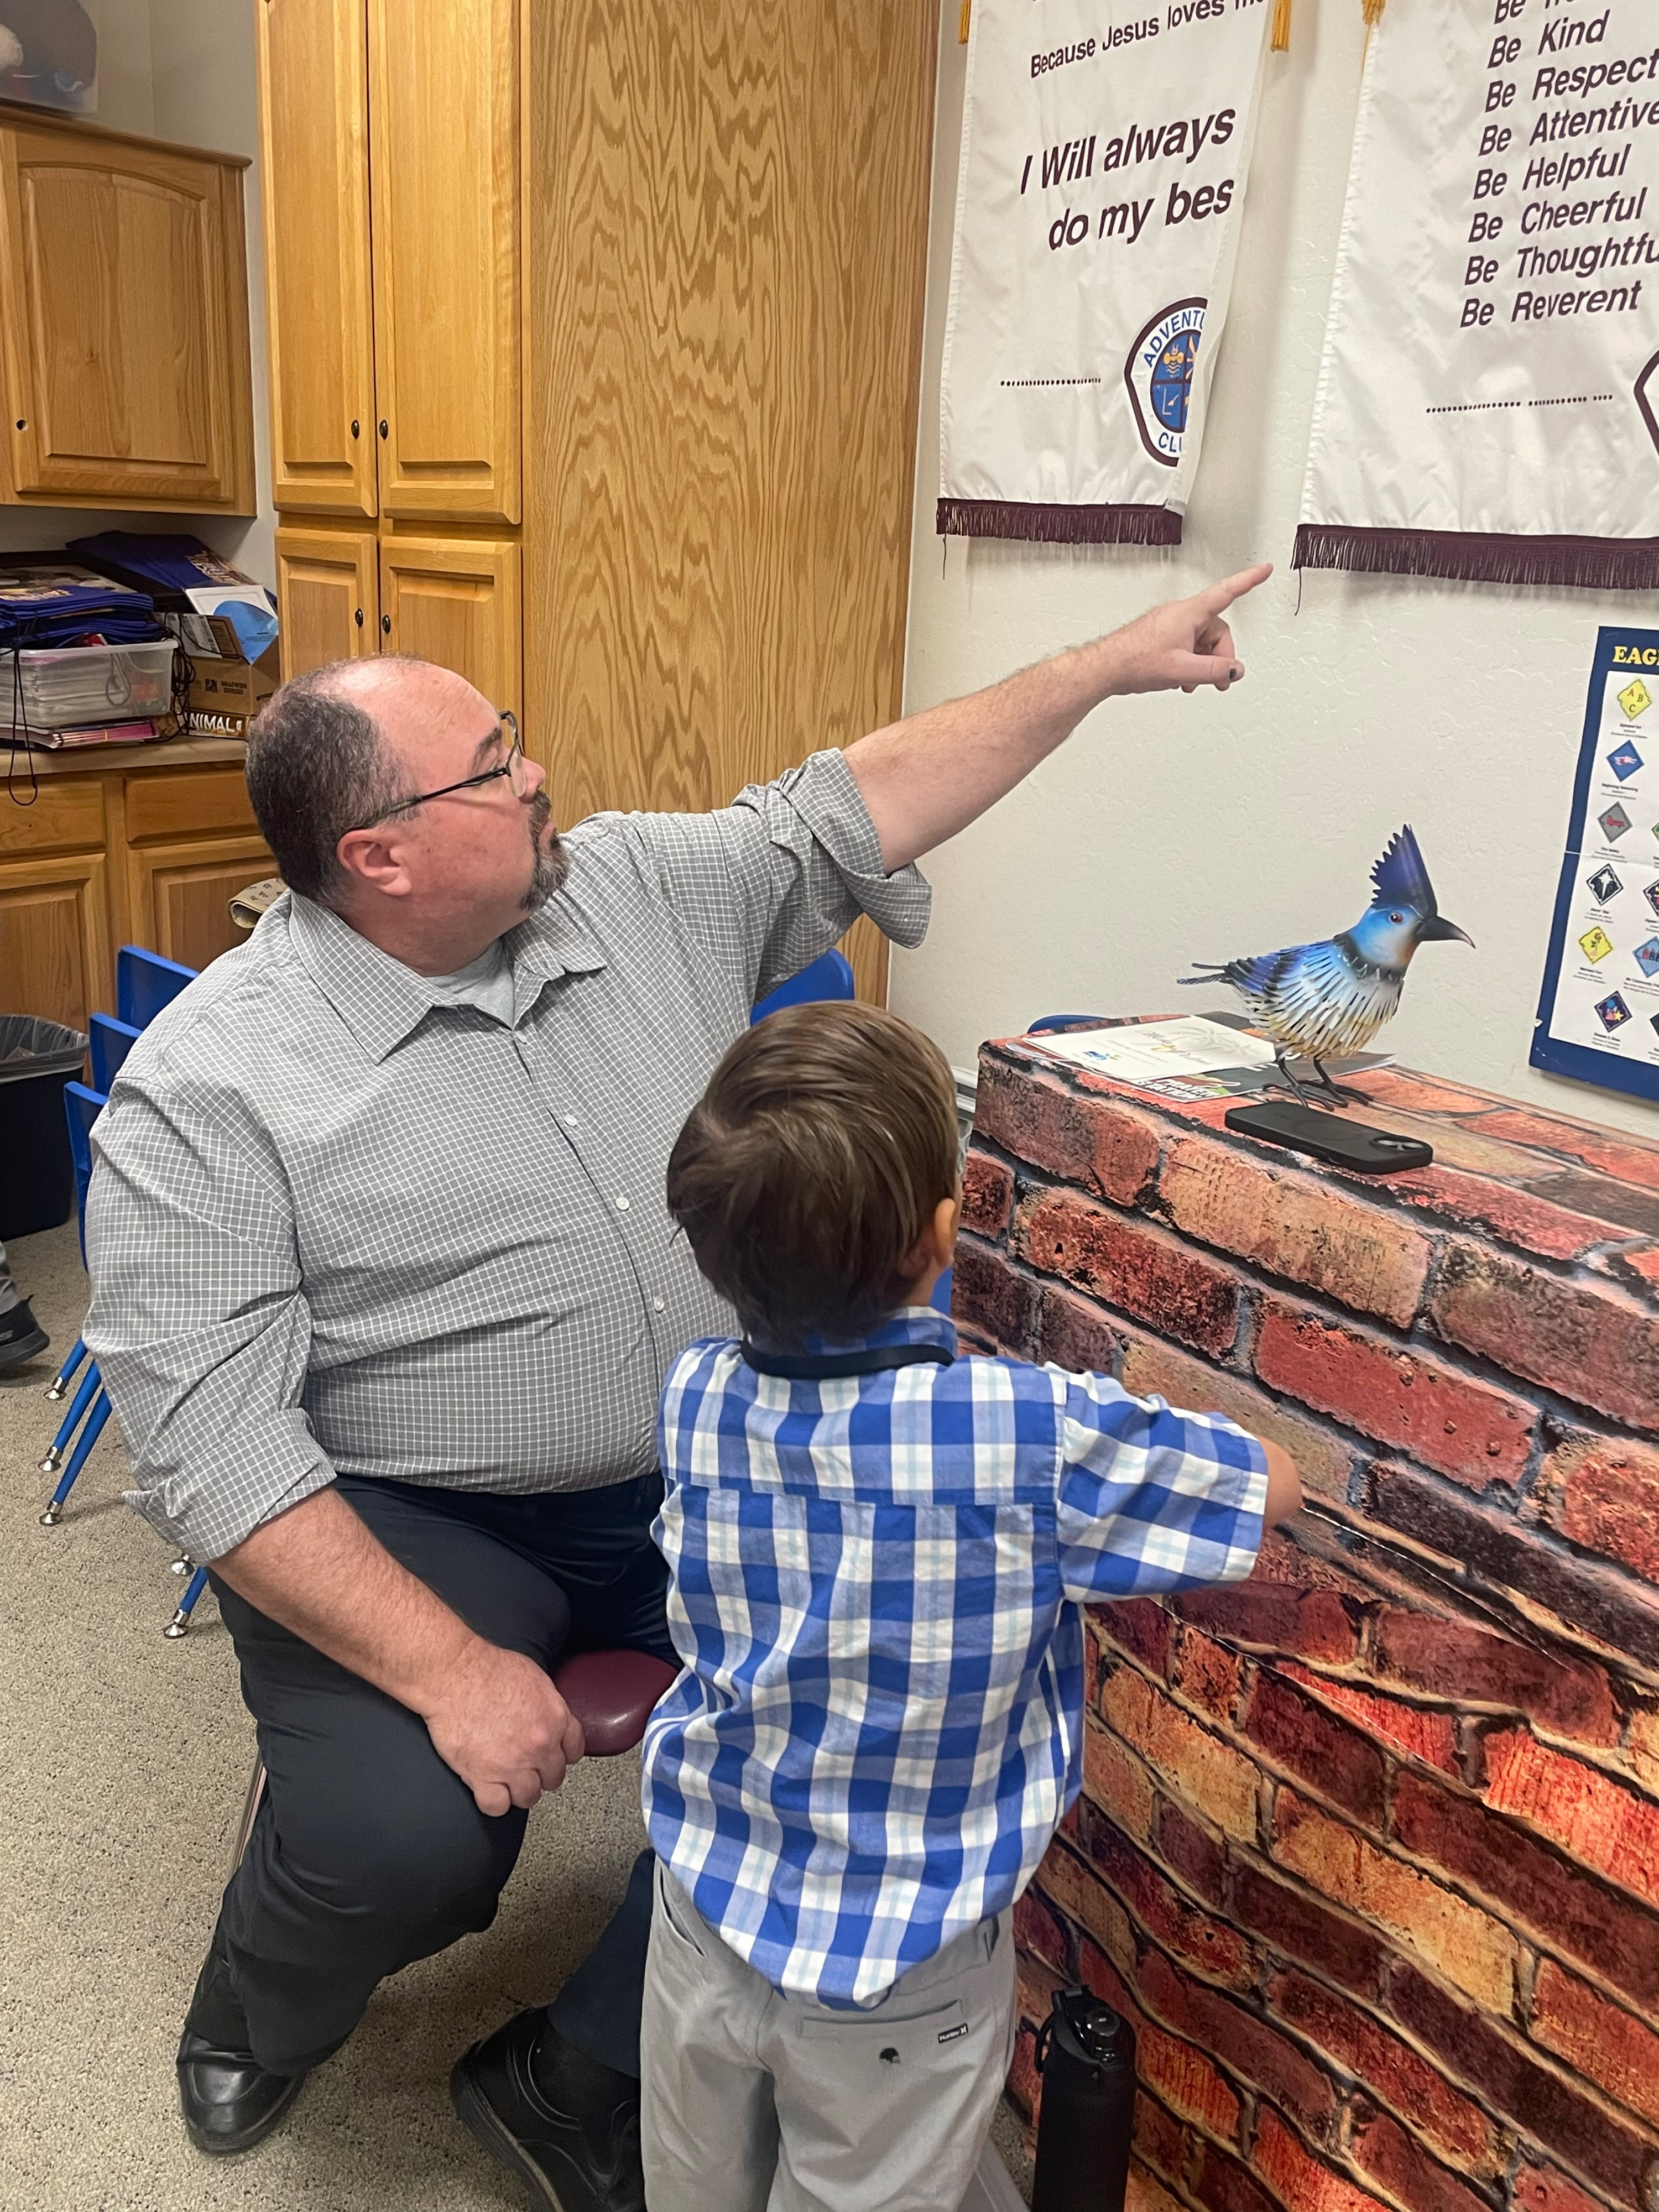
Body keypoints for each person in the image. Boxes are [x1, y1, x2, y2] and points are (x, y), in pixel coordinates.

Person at [83, 564, 1267, 2211]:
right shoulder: (210, 1084)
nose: (538, 772)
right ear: (381, 856)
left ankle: (576, 2065)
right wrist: (451, 1670)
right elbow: (213, 1455)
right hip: (414, 1519)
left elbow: (851, 805)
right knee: (407, 1840)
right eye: (494, 763)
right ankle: (262, 1992)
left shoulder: (631, 885)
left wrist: (1101, 667)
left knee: (870, 1722)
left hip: (705, 1462)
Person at [634, 1000, 1302, 2211]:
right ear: (944, 1236)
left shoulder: (693, 1395)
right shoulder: (1027, 1434)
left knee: (696, 2184)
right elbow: (1273, 1489)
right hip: (905, 1970)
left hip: (704, 1905)